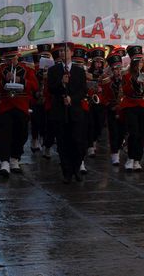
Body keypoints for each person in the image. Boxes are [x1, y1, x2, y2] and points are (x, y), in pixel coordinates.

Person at [0, 47, 38, 176]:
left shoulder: (28, 68)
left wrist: (21, 80)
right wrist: (3, 80)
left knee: (21, 134)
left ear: (17, 56)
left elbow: (35, 86)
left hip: (21, 105)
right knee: (5, 134)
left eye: (13, 57)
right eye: (7, 58)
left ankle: (15, 158)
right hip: (5, 105)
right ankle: (5, 162)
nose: (10, 61)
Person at [48, 43, 87, 183]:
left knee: (77, 141)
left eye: (65, 51)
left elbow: (83, 90)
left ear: (71, 52)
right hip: (59, 111)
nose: (62, 53)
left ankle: (76, 167)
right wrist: (61, 83)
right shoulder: (53, 70)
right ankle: (67, 171)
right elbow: (51, 89)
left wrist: (72, 98)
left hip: (75, 111)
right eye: (60, 51)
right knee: (62, 143)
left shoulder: (79, 70)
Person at [119, 46, 144, 172]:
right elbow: (126, 91)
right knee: (134, 133)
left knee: (142, 133)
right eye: (137, 61)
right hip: (131, 105)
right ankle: (130, 158)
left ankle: (137, 160)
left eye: (141, 61)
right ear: (133, 62)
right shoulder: (126, 75)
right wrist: (135, 83)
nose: (139, 64)